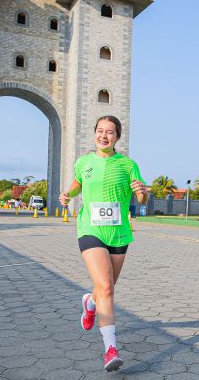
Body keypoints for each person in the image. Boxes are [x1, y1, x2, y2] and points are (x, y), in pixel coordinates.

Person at [59, 115, 148, 372]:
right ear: (95, 134)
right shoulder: (84, 162)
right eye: (100, 131)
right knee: (107, 287)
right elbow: (77, 185)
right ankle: (111, 349)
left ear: (117, 137)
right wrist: (67, 194)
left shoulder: (128, 164)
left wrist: (142, 192)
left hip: (119, 233)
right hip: (90, 229)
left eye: (110, 132)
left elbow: (141, 200)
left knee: (104, 287)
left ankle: (89, 303)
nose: (104, 136)